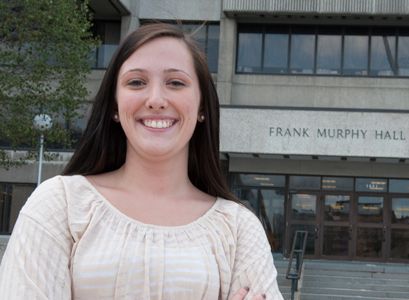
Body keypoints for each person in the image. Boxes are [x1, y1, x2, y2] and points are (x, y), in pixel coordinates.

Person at [0, 23, 283, 300]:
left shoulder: (238, 229)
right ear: (114, 105)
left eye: (176, 83)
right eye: (136, 82)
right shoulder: (60, 204)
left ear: (202, 108)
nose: (156, 99)